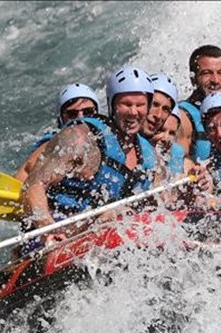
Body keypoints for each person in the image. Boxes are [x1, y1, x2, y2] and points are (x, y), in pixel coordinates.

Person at [18, 66, 164, 245]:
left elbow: (160, 203)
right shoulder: (80, 139)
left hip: (107, 238)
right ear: (112, 106)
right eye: (126, 104)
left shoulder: (150, 157)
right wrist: (47, 229)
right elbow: (33, 185)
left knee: (120, 212)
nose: (133, 112)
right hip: (56, 238)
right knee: (113, 213)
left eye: (140, 105)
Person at [14, 82, 101, 181]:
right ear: (61, 119)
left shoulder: (106, 136)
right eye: (72, 114)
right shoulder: (53, 143)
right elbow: (26, 171)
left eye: (88, 112)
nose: (80, 117)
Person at [176, 45, 221, 163]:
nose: (215, 80)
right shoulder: (183, 117)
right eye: (207, 73)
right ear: (193, 78)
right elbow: (178, 167)